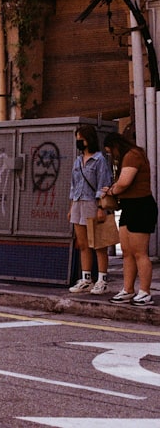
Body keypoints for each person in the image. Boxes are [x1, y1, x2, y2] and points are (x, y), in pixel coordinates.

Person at [101, 132, 157, 306]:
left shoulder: (133, 155)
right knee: (127, 251)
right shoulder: (126, 156)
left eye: (111, 151)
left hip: (141, 206)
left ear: (116, 145)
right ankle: (128, 289)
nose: (112, 155)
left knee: (140, 252)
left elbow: (124, 182)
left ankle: (145, 292)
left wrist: (110, 191)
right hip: (129, 206)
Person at [67, 125, 113, 295]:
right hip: (79, 202)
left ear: (89, 139)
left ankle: (102, 279)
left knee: (98, 244)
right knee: (83, 243)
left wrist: (101, 207)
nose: (79, 141)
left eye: (81, 138)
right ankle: (86, 278)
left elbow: (103, 184)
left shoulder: (99, 160)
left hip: (92, 203)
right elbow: (74, 185)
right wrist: (72, 207)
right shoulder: (78, 161)